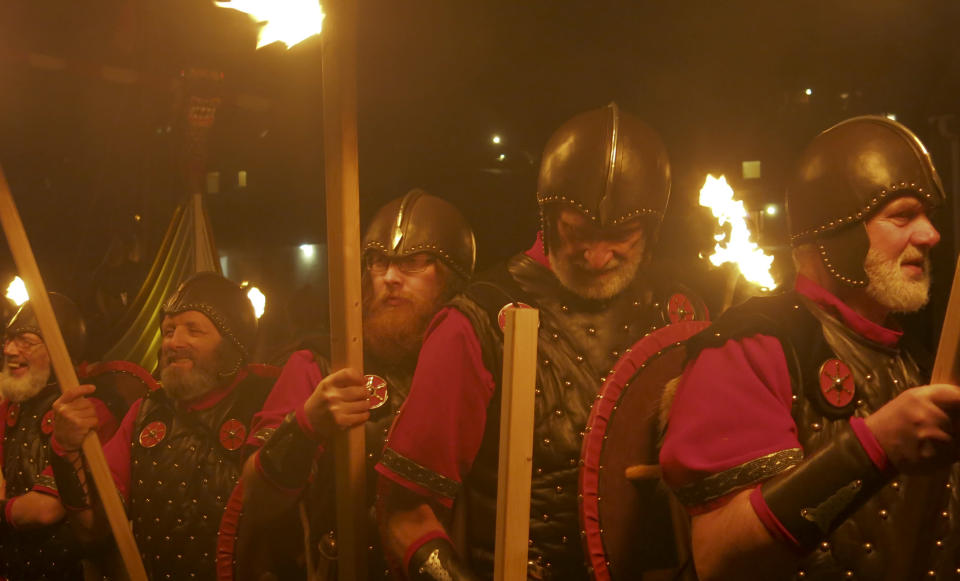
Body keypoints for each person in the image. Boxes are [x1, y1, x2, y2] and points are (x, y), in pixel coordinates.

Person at [376, 103, 707, 581]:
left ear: (652, 229)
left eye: (621, 236)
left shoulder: (680, 317)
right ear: (549, 217)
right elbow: (406, 511)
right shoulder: (479, 322)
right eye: (577, 232)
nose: (596, 256)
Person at [660, 115, 960, 580]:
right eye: (902, 215)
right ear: (836, 233)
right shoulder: (750, 347)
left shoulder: (912, 361)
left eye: (928, 217)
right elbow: (721, 556)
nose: (929, 235)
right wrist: (876, 446)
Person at [228, 189, 476, 580]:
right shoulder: (320, 365)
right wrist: (307, 425)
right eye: (379, 262)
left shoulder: (477, 366)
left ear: (453, 281)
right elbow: (255, 499)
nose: (391, 277)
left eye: (412, 262)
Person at [49, 272, 280, 580]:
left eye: (193, 331)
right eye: (168, 330)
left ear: (231, 345)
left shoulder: (268, 401)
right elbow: (94, 526)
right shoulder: (144, 413)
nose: (174, 342)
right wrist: (64, 449)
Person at [0, 292, 124, 580]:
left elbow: (44, 510)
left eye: (26, 342)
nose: (9, 350)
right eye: (9, 339)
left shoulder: (86, 412)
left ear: (60, 349)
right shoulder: (11, 408)